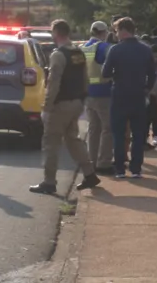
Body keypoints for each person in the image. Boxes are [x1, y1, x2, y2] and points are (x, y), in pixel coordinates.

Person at [29, 19, 101, 194]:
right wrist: (82, 99)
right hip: (76, 102)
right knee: (72, 139)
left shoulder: (58, 55)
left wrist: (46, 108)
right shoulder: (78, 52)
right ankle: (89, 173)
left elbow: (53, 83)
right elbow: (85, 78)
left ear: (55, 33)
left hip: (60, 105)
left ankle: (49, 182)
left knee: (51, 142)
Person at [100, 17, 157, 179]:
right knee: (139, 134)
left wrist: (116, 76)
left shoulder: (115, 50)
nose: (116, 34)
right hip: (138, 96)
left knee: (118, 134)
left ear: (123, 30)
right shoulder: (145, 50)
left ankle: (119, 169)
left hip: (119, 95)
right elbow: (152, 75)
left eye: (117, 31)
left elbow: (105, 73)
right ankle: (136, 168)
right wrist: (146, 90)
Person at [81, 21, 114, 175]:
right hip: (103, 92)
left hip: (88, 93)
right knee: (108, 128)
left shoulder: (83, 48)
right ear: (104, 32)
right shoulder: (103, 47)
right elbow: (113, 66)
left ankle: (91, 162)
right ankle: (104, 163)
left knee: (94, 128)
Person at [146, 42, 157, 149]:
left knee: (156, 116)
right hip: (149, 93)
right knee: (147, 117)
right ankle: (147, 137)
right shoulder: (148, 64)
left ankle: (156, 136)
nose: (156, 58)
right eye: (154, 56)